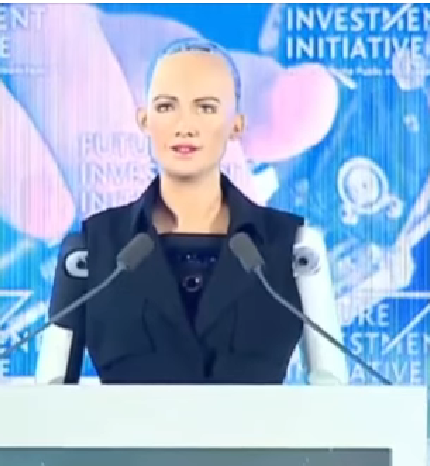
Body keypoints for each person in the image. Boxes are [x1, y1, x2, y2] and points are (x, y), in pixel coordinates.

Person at [35, 37, 348, 385]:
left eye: (206, 108)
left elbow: (331, 388)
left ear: (236, 124)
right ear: (144, 119)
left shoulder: (291, 247)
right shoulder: (94, 248)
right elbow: (50, 393)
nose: (185, 125)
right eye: (167, 106)